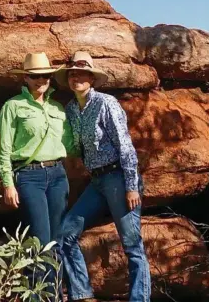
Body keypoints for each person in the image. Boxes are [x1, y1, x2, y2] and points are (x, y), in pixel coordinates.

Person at [54, 51, 151, 302]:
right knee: (66, 234)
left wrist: (131, 186)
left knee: (131, 244)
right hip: (96, 181)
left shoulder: (106, 103)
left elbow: (125, 145)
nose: (77, 78)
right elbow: (74, 146)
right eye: (72, 74)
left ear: (92, 78)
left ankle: (139, 298)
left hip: (118, 177)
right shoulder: (72, 109)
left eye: (82, 73)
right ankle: (82, 294)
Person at [0, 52, 73, 301]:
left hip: (58, 176)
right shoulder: (13, 106)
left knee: (57, 240)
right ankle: (39, 297)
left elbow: (70, 144)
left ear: (50, 78)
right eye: (34, 76)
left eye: (45, 76)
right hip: (29, 177)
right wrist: (8, 184)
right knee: (40, 240)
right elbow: (4, 149)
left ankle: (55, 294)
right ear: (26, 79)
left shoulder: (57, 108)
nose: (40, 80)